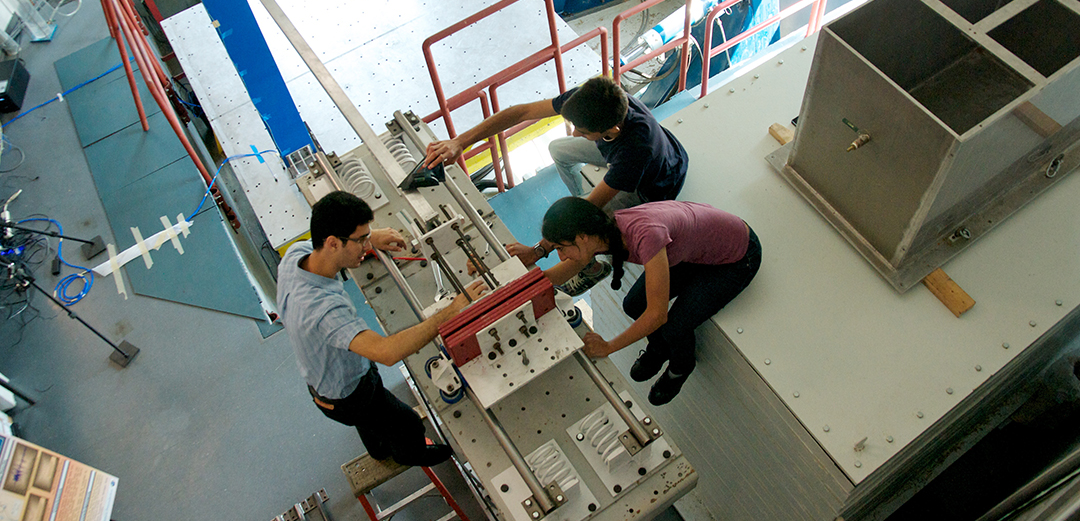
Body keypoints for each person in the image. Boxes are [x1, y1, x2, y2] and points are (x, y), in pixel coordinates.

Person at [277, 190, 486, 467]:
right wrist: (452, 311)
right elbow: (387, 352)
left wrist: (372, 240)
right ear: (332, 243)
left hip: (325, 381)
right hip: (349, 395)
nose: (366, 245)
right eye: (361, 239)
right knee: (407, 423)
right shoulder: (322, 311)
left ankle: (378, 448)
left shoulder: (296, 256)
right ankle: (410, 454)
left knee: (369, 422)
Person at [424, 76, 689, 289]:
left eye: (583, 132)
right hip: (623, 152)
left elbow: (588, 210)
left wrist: (538, 251)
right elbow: (522, 112)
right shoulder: (591, 98)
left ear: (611, 131)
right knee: (559, 149)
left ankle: (593, 269)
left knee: (585, 218)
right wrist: (460, 142)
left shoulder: (635, 152)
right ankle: (582, 197)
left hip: (655, 186)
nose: (575, 132)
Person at [537, 196, 761, 405]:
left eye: (560, 248)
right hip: (696, 248)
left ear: (581, 237)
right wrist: (527, 279)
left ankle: (681, 367)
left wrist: (608, 347)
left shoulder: (645, 235)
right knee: (633, 304)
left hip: (737, 258)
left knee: (672, 327)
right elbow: (565, 271)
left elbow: (657, 314)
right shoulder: (603, 233)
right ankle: (660, 348)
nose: (562, 256)